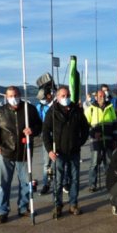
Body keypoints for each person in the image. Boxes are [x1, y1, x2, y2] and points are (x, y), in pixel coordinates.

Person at [0, 86, 42, 224]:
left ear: (20, 95)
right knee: (4, 184)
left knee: (25, 182)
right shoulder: (0, 112)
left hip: (24, 152)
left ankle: (23, 207)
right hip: (5, 153)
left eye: (16, 95)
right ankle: (2, 211)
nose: (14, 98)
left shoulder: (29, 109)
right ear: (6, 97)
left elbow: (39, 126)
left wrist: (33, 130)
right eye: (11, 95)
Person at [42, 85, 90, 217]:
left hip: (74, 151)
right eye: (63, 96)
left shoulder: (77, 110)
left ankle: (73, 204)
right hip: (58, 152)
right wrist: (50, 150)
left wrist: (80, 142)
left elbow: (85, 128)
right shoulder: (52, 112)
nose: (66, 98)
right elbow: (45, 132)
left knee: (75, 179)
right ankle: (57, 205)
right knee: (58, 180)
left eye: (67, 95)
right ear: (57, 97)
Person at [85, 89, 117, 192]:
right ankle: (92, 184)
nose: (102, 98)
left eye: (103, 96)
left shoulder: (110, 108)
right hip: (96, 142)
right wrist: (93, 134)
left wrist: (116, 141)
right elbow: (85, 126)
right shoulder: (90, 109)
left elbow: (114, 126)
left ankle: (110, 182)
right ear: (96, 97)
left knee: (109, 163)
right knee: (94, 163)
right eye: (100, 96)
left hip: (109, 141)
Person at [36, 90, 54, 195]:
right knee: (47, 163)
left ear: (49, 96)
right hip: (46, 136)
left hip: (58, 136)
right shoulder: (40, 107)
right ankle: (46, 184)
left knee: (61, 162)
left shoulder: (57, 105)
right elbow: (37, 121)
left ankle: (64, 182)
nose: (41, 101)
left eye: (43, 98)